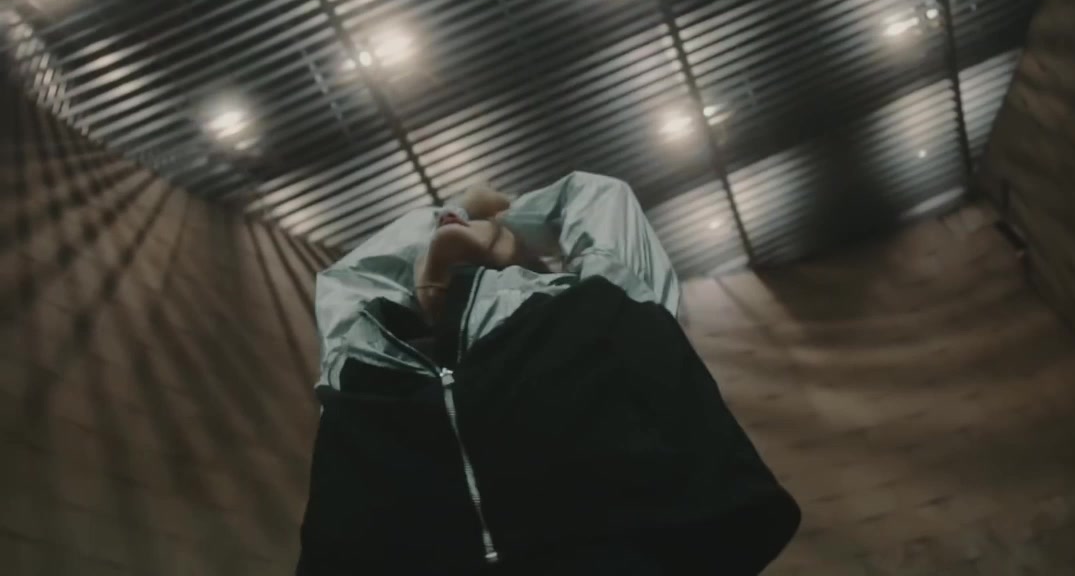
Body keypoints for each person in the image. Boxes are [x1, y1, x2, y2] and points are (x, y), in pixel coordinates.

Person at [297, 172, 800, 575]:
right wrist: (455, 216)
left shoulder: (594, 307)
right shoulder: (371, 357)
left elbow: (601, 197)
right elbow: (348, 278)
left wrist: (506, 222)